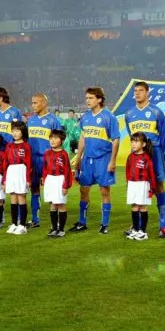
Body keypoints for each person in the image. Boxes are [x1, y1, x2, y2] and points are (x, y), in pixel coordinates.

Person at [124, 81, 165, 237]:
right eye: (135, 91)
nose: (137, 93)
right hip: (138, 157)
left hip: (155, 153)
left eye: (141, 90)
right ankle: (136, 226)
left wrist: (158, 152)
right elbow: (132, 136)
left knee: (158, 187)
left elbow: (164, 135)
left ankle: (163, 226)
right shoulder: (129, 114)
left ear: (147, 92)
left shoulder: (156, 112)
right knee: (137, 186)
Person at [70, 87, 117, 234]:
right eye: (87, 98)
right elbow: (83, 138)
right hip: (87, 160)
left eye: (91, 98)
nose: (87, 101)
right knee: (83, 189)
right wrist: (78, 158)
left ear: (99, 99)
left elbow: (116, 139)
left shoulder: (109, 117)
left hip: (103, 159)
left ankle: (104, 224)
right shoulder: (85, 117)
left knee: (104, 191)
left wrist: (113, 161)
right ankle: (82, 222)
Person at [26, 93, 62, 227]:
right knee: (34, 188)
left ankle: (57, 219)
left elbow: (59, 140)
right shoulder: (30, 120)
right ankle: (35, 219)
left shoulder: (53, 120)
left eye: (36, 103)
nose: (33, 105)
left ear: (44, 103)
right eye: (32, 103)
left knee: (53, 189)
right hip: (33, 159)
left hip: (48, 160)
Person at [125, 132, 158, 241]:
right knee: (134, 206)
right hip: (132, 184)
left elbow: (152, 174)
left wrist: (152, 188)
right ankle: (135, 229)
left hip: (143, 184)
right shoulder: (130, 156)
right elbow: (127, 171)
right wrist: (128, 183)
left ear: (143, 144)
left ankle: (143, 232)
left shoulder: (146, 158)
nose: (133, 144)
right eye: (132, 141)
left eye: (136, 141)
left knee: (142, 207)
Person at [42, 129, 73, 237]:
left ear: (62, 140)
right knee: (52, 204)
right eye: (51, 138)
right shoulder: (47, 153)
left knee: (60, 204)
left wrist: (66, 185)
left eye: (55, 138)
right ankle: (54, 228)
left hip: (60, 180)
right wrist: (45, 179)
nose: (52, 140)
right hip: (50, 180)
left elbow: (67, 171)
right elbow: (45, 168)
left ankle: (61, 229)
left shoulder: (64, 154)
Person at [4, 121, 32, 235]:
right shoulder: (9, 146)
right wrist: (4, 179)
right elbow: (5, 163)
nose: (14, 133)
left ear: (23, 132)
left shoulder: (26, 146)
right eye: (13, 130)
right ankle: (14, 223)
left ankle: (23, 225)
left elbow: (29, 164)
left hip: (21, 171)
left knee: (21, 197)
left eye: (17, 130)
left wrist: (28, 179)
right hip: (11, 171)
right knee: (13, 198)